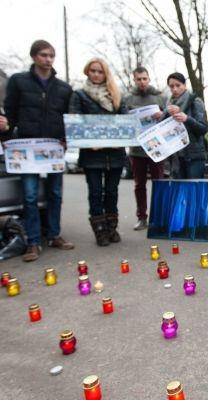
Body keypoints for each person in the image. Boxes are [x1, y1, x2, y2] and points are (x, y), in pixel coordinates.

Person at [3, 40, 74, 262]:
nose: (48, 60)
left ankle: (53, 235)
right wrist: (6, 136)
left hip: (53, 148)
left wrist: (66, 139)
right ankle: (33, 241)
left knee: (55, 193)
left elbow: (67, 118)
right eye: (43, 55)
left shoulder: (64, 88)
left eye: (51, 56)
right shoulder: (18, 81)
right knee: (30, 194)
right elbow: (10, 112)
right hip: (26, 148)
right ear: (34, 56)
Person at [69, 58, 127, 247]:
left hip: (115, 155)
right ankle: (100, 231)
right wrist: (87, 142)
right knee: (95, 192)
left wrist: (124, 139)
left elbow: (126, 122)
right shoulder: (79, 95)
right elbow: (75, 121)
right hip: (92, 155)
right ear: (87, 72)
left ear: (105, 74)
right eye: (92, 71)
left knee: (111, 192)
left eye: (99, 71)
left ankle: (112, 227)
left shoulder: (116, 95)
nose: (95, 74)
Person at [124, 66, 166, 230]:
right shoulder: (128, 99)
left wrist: (161, 115)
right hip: (137, 150)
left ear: (149, 79)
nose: (142, 82)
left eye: (144, 78)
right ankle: (142, 218)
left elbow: (168, 120)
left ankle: (159, 217)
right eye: (138, 79)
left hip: (157, 148)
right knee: (139, 185)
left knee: (159, 183)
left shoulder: (160, 97)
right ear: (134, 80)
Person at [162, 72, 208, 179]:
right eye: (171, 86)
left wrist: (187, 118)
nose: (175, 89)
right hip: (176, 157)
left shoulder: (195, 102)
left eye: (178, 85)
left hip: (194, 156)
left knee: (193, 191)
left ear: (184, 85)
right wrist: (163, 116)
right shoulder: (168, 105)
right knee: (179, 192)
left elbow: (203, 128)